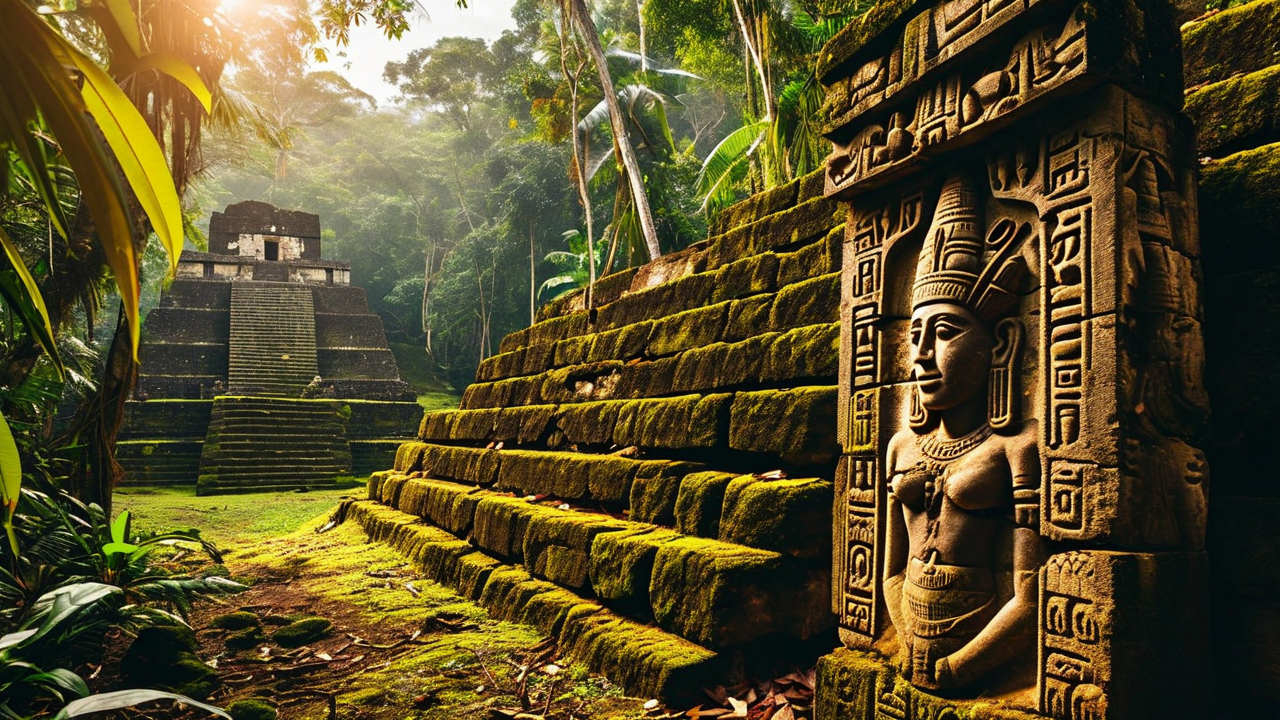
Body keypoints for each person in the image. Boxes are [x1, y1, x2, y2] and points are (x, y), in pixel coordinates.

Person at [882, 174, 1042, 692]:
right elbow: (888, 573)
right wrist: (905, 638)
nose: (921, 355)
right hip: (910, 638)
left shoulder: (1014, 449)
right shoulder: (900, 446)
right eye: (915, 337)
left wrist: (960, 666)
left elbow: (1031, 599)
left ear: (1000, 345)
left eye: (945, 333)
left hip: (973, 641)